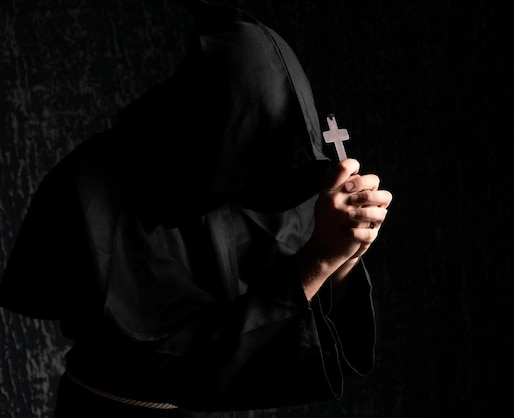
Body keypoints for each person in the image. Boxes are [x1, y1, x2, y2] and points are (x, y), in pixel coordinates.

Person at [0, 2, 392, 417]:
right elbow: (183, 363)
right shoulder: (91, 186)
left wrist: (346, 253)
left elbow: (303, 328)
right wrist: (320, 258)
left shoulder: (273, 177)